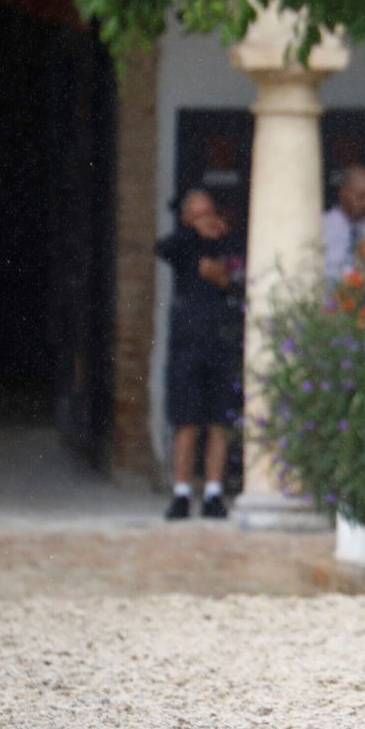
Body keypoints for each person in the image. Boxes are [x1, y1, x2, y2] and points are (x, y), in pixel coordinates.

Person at [156, 189, 242, 520]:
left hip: (221, 342)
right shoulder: (182, 245)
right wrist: (195, 234)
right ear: (186, 219)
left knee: (219, 422)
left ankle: (213, 493)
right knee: (186, 422)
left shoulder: (227, 242)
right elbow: (162, 248)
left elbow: (236, 272)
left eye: (209, 212)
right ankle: (180, 494)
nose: (206, 218)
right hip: (187, 345)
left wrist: (221, 269)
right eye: (197, 214)